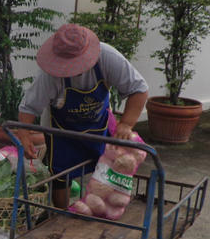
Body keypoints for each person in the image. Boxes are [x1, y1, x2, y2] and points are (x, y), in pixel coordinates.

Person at [15, 23, 148, 209]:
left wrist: (126, 123)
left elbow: (138, 89)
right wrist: (24, 135)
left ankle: (102, 207)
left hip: (97, 123)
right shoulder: (50, 74)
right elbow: (29, 107)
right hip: (60, 129)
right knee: (60, 175)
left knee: (105, 167)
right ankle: (62, 216)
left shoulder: (108, 57)